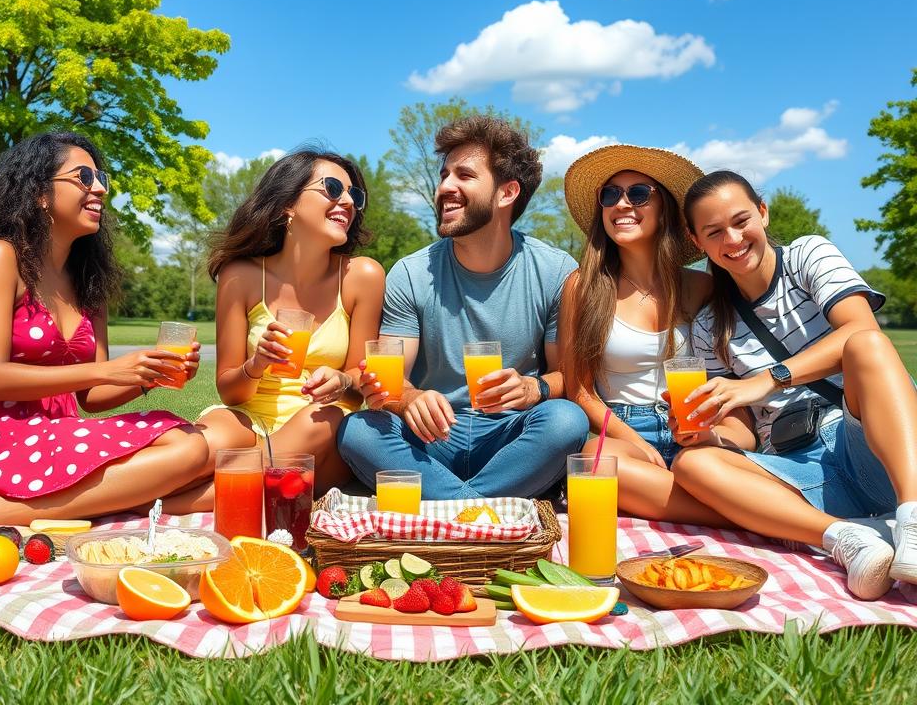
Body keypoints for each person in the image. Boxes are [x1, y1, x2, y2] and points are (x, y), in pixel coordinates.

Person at [0, 132, 211, 532]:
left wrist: (148, 373)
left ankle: (111, 501)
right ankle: (7, 512)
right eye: (84, 176)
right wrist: (107, 370)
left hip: (51, 429)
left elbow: (93, 398)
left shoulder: (88, 281)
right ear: (40, 194)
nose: (99, 188)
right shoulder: (1, 257)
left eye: (102, 178)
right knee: (189, 452)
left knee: (204, 447)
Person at [671, 170, 917, 599]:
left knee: (868, 345)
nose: (732, 239)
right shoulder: (710, 323)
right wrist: (708, 428)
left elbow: (858, 329)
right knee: (691, 463)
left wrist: (767, 380)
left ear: (763, 214)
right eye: (714, 232)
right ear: (697, 242)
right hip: (798, 467)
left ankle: (913, 519)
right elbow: (744, 429)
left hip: (865, 440)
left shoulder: (808, 255)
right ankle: (848, 538)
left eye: (741, 220)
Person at [337, 115, 589, 499]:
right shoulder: (411, 273)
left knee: (567, 421)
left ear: (506, 193)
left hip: (511, 438)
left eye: (464, 176)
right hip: (430, 440)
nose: (445, 187)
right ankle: (482, 512)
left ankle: (446, 506)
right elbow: (391, 381)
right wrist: (409, 399)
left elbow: (567, 377)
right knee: (357, 430)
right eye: (443, 175)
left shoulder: (555, 271)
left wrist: (531, 388)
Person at [558, 146, 754, 524]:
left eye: (638, 193)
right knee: (593, 464)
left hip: (695, 424)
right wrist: (635, 440)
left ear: (664, 207)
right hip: (621, 428)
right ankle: (747, 515)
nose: (622, 205)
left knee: (729, 450)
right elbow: (579, 390)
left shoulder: (701, 286)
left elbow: (731, 371)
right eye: (610, 195)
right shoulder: (583, 287)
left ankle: (716, 499)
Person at [197, 150, 384, 494]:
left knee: (320, 421)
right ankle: (70, 502)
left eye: (354, 195)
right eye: (332, 188)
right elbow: (230, 391)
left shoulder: (363, 276)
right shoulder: (240, 275)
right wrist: (256, 364)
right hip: (248, 418)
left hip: (320, 431)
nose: (348, 202)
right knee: (197, 444)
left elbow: (359, 388)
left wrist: (342, 379)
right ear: (288, 204)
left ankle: (174, 502)